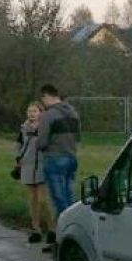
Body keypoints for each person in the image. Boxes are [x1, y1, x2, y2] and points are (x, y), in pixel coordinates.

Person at [36, 84, 81, 222]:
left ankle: (63, 230)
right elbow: (78, 136)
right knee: (69, 195)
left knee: (58, 198)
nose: (43, 103)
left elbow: (42, 140)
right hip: (71, 156)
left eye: (42, 99)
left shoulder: (48, 115)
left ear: (46, 96)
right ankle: (73, 223)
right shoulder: (73, 112)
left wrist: (39, 147)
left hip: (54, 157)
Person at [15, 102, 55, 248]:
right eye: (29, 111)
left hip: (42, 168)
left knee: (42, 201)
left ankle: (52, 229)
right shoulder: (23, 128)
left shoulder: (47, 128)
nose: (31, 114)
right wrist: (18, 158)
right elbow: (18, 144)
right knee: (32, 201)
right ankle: (36, 229)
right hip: (28, 167)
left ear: (41, 113)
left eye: (35, 111)